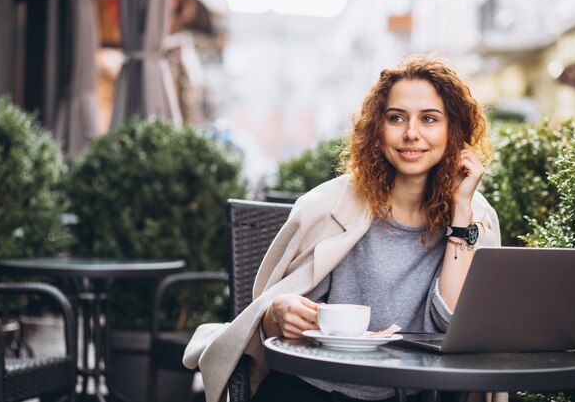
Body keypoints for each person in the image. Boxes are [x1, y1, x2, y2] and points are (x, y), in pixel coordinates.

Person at [184, 56, 503, 402]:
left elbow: (452, 327)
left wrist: (460, 213)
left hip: (415, 393)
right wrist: (277, 313)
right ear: (376, 131)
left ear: (453, 132)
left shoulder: (474, 215)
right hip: (316, 388)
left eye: (429, 119)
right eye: (396, 118)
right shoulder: (324, 206)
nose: (412, 133)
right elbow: (267, 324)